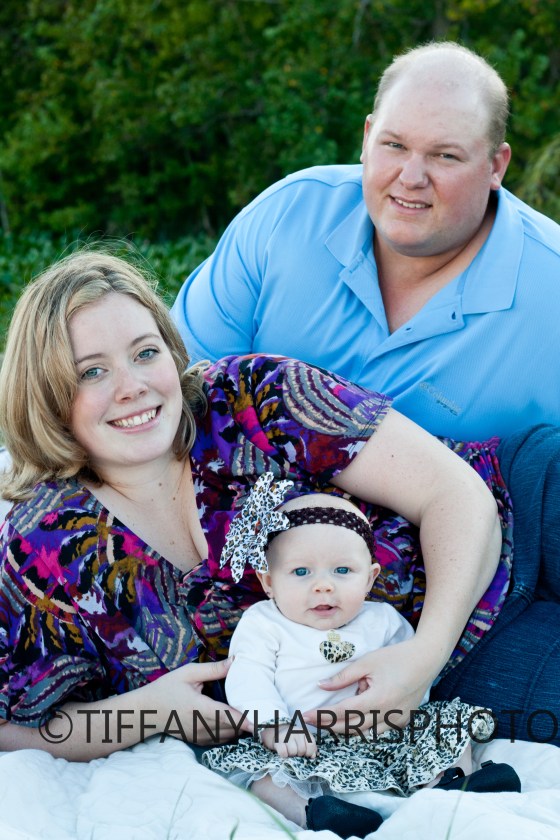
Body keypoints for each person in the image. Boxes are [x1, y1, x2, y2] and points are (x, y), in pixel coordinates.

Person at [0, 250, 556, 768]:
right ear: (46, 392)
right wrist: (148, 713)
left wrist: (421, 659)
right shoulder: (41, 548)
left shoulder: (248, 395)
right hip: (474, 658)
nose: (133, 387)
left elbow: (454, 493)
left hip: (517, 507)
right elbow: (11, 725)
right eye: (91, 371)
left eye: (146, 353)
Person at [171, 41, 560, 441]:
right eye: (395, 145)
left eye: (445, 156)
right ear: (367, 137)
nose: (411, 177)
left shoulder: (552, 291)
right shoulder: (284, 218)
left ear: (496, 166)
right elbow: (174, 394)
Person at [203, 481, 519, 837]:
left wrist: (403, 701)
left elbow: (413, 675)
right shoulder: (265, 623)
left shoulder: (381, 620)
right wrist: (274, 723)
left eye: (342, 571)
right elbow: (249, 676)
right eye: (301, 572)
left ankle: (451, 784)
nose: (323, 585)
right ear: (269, 582)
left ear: (369, 578)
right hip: (302, 740)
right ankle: (314, 812)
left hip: (382, 730)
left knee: (446, 723)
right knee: (262, 771)